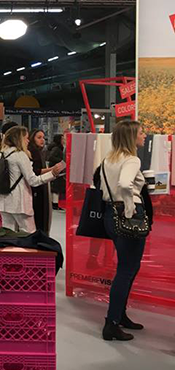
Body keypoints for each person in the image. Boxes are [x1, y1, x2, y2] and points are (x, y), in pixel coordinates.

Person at [98, 120, 148, 342]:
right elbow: (125, 184)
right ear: (131, 137)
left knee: (128, 267)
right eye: (141, 132)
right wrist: (130, 208)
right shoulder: (132, 159)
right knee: (127, 269)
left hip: (110, 215)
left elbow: (102, 187)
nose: (144, 135)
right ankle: (112, 322)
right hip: (127, 215)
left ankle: (119, 315)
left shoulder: (108, 160)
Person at [0, 126, 63, 233]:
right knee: (28, 234)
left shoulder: (3, 153)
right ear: (19, 139)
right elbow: (33, 180)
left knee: (8, 234)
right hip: (19, 201)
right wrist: (52, 174)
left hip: (3, 199)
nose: (28, 141)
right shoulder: (20, 155)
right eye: (25, 138)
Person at [28, 129, 53, 234]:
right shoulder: (33, 152)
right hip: (36, 188)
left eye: (43, 138)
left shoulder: (39, 152)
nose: (42, 140)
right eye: (39, 137)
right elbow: (36, 171)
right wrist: (52, 170)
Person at [47, 134, 66, 210]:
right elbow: (50, 157)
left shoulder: (57, 148)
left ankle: (54, 203)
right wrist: (61, 161)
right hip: (56, 169)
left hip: (57, 169)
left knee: (56, 187)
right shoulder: (56, 148)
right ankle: (55, 204)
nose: (64, 140)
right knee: (56, 187)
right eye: (62, 139)